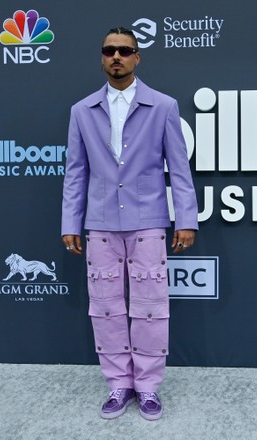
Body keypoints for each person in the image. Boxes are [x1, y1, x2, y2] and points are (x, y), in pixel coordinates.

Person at [61, 27, 198, 421]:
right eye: (109, 50)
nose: (116, 56)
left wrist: (185, 218)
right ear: (102, 58)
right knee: (105, 309)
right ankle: (119, 385)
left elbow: (180, 170)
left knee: (152, 308)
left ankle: (149, 387)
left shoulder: (164, 106)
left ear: (138, 57)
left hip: (149, 221)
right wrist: (70, 221)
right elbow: (75, 173)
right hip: (100, 222)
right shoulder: (81, 111)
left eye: (125, 50)